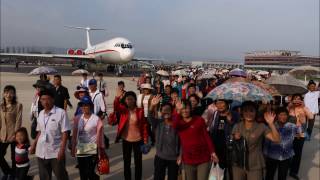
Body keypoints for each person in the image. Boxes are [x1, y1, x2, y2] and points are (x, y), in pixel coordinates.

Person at [231, 101, 280, 180]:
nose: (248, 113)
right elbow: (230, 142)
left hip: (255, 164)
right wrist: (234, 138)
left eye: (251, 110)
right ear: (242, 112)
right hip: (238, 164)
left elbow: (277, 140)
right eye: (246, 111)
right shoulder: (237, 126)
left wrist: (271, 124)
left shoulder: (261, 126)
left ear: (256, 112)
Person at [29, 89, 70, 180]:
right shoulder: (41, 113)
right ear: (40, 101)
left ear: (53, 100)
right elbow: (40, 131)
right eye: (43, 99)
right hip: (41, 151)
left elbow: (65, 132)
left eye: (48, 99)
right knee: (44, 177)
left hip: (55, 151)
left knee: (61, 175)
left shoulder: (61, 113)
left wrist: (62, 150)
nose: (45, 102)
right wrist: (33, 145)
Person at [173, 100, 218, 180]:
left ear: (191, 109)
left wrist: (213, 152)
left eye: (186, 108)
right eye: (182, 109)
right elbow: (175, 126)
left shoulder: (199, 120)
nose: (185, 111)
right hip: (188, 159)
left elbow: (206, 137)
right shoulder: (179, 123)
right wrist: (177, 111)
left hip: (203, 157)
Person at [113, 90, 148, 180]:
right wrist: (117, 98)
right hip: (126, 140)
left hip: (138, 140)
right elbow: (116, 107)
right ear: (125, 101)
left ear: (135, 100)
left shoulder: (140, 111)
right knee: (126, 162)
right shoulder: (123, 111)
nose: (129, 101)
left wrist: (145, 140)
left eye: (131, 99)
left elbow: (144, 126)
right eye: (127, 99)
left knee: (138, 163)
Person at [263, 107, 303, 180]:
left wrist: (299, 121)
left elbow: (301, 134)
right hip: (272, 156)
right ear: (276, 116)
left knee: (282, 176)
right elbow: (267, 142)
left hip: (286, 156)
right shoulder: (271, 126)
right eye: (280, 115)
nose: (283, 117)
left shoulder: (291, 126)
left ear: (287, 116)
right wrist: (265, 155)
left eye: (285, 115)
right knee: (269, 175)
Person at [71, 96, 105, 180]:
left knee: (89, 172)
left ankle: (95, 178)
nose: (84, 107)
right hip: (81, 147)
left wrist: (101, 149)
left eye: (86, 105)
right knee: (82, 172)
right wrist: (73, 147)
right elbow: (74, 134)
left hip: (92, 147)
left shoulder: (96, 119)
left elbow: (100, 136)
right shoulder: (77, 118)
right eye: (82, 105)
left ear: (91, 106)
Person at [207, 99, 240, 180]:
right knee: (219, 171)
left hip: (230, 147)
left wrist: (230, 122)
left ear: (227, 103)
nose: (219, 105)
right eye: (217, 103)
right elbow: (213, 129)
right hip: (217, 147)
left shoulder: (235, 114)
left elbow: (239, 129)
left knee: (231, 171)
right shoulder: (216, 113)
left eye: (221, 103)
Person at [149, 95, 180, 180]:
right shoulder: (158, 123)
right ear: (161, 111)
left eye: (168, 110)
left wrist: (180, 155)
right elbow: (150, 116)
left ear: (172, 111)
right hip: (160, 157)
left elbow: (182, 141)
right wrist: (152, 105)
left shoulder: (177, 124)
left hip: (174, 159)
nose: (166, 112)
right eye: (164, 110)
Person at [287, 94, 313, 179]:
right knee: (289, 151)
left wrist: (304, 107)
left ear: (301, 100)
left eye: (299, 99)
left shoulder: (304, 108)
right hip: (290, 133)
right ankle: (289, 165)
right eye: (295, 99)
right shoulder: (290, 108)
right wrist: (289, 106)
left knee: (298, 154)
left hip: (301, 134)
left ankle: (294, 172)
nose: (297, 100)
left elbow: (311, 116)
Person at [0, 85, 22, 180]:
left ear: (14, 94)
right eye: (6, 92)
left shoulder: (18, 106)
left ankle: (13, 175)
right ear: (3, 94)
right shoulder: (1, 106)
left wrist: (16, 134)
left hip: (14, 135)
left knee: (14, 157)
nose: (8, 95)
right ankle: (7, 172)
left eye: (11, 92)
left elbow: (18, 121)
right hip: (2, 135)